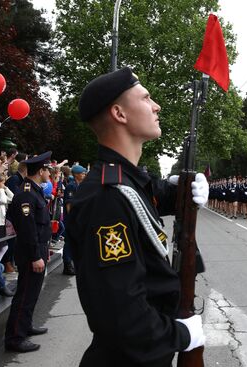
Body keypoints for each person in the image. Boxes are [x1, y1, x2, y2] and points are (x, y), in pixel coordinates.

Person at [69, 67, 207, 366]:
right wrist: (182, 336)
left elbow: (151, 195)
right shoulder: (107, 198)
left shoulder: (126, 182)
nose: (156, 106)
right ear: (119, 114)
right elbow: (123, 318)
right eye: (146, 98)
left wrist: (187, 186)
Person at [4, 152, 53, 353]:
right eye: (47, 169)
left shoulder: (33, 190)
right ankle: (15, 338)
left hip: (37, 247)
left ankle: (25, 326)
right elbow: (27, 228)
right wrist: (35, 256)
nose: (50, 173)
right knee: (24, 295)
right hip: (30, 251)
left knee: (32, 293)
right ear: (40, 171)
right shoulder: (26, 194)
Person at [61, 164, 86, 275]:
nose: (84, 174)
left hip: (78, 219)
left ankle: (72, 263)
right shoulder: (72, 186)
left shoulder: (80, 185)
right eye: (82, 173)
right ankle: (67, 265)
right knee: (69, 242)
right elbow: (69, 204)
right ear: (76, 174)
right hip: (72, 219)